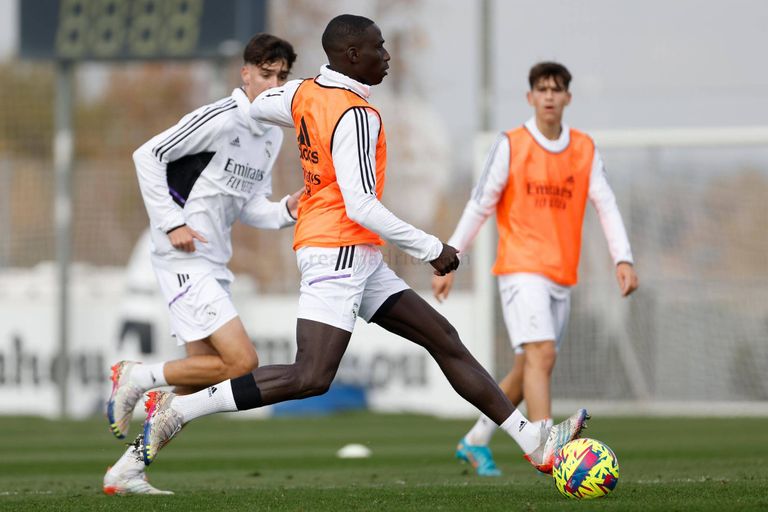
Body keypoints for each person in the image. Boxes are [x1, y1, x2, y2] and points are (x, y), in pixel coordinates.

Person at [138, 15, 588, 480]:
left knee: (443, 338)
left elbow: (256, 105)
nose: (387, 56)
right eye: (379, 47)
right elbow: (362, 206)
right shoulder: (356, 116)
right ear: (353, 56)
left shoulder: (303, 91)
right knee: (311, 376)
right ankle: (181, 410)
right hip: (337, 250)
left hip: (353, 253)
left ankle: (533, 440)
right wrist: (432, 248)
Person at [103, 33, 300, 495]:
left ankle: (126, 470)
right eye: (266, 74)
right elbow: (147, 155)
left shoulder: (271, 135)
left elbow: (251, 206)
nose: (274, 85)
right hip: (182, 256)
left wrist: (286, 211)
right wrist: (172, 222)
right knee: (242, 362)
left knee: (196, 385)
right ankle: (136, 376)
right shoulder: (221, 118)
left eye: (282, 77)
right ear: (245, 74)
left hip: (213, 261)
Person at [432, 61, 638, 476]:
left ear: (567, 98)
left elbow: (606, 204)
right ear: (530, 97)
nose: (548, 96)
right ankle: (550, 452)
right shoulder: (512, 144)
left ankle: (475, 440)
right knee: (541, 355)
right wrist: (449, 258)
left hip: (561, 275)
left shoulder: (584, 148)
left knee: (529, 367)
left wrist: (623, 257)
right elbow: (479, 204)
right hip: (521, 269)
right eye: (541, 89)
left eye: (556, 89)